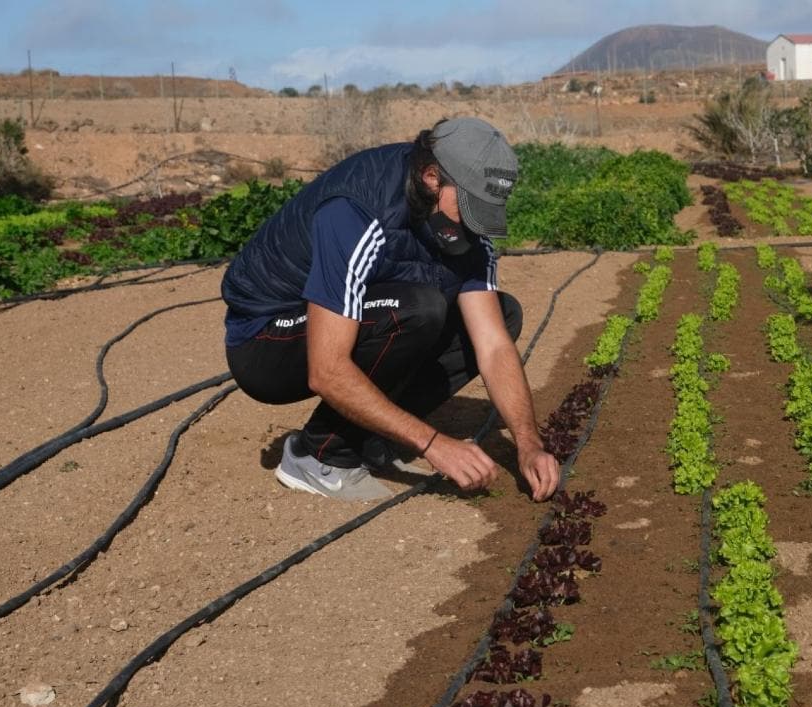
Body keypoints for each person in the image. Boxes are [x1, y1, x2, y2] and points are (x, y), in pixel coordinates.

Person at [220, 117, 559, 503]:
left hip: (354, 315)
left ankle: (371, 432)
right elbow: (326, 369)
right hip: (268, 336)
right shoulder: (357, 210)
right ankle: (317, 455)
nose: (475, 222)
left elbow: (494, 346)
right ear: (432, 177)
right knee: (417, 309)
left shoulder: (462, 223)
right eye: (470, 206)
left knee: (503, 312)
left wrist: (528, 443)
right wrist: (433, 444)